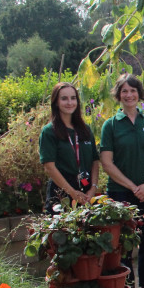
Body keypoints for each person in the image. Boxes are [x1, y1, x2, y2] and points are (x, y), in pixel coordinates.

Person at [99, 74, 144, 288]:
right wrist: (132, 186)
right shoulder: (111, 125)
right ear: (118, 95)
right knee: (123, 243)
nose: (129, 95)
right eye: (124, 91)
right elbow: (107, 163)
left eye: (133, 90)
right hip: (120, 193)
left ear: (139, 94)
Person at [39, 82, 99, 212]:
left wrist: (93, 188)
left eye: (73, 98)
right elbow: (49, 167)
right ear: (56, 102)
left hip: (85, 193)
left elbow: (95, 160)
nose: (69, 102)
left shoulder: (85, 130)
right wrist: (72, 192)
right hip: (61, 194)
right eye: (64, 98)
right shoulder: (49, 131)